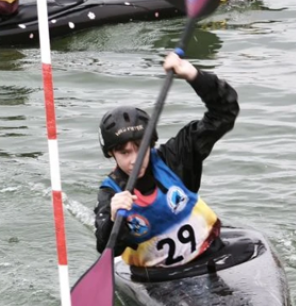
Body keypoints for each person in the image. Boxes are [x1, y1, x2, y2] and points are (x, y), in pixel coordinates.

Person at [94, 52, 239, 268]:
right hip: (159, 280)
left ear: (151, 144)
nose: (134, 160)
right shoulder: (111, 194)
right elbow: (106, 249)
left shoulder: (177, 156)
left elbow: (224, 113)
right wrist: (115, 219)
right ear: (111, 154)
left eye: (140, 149)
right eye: (124, 153)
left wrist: (193, 75)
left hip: (212, 255)